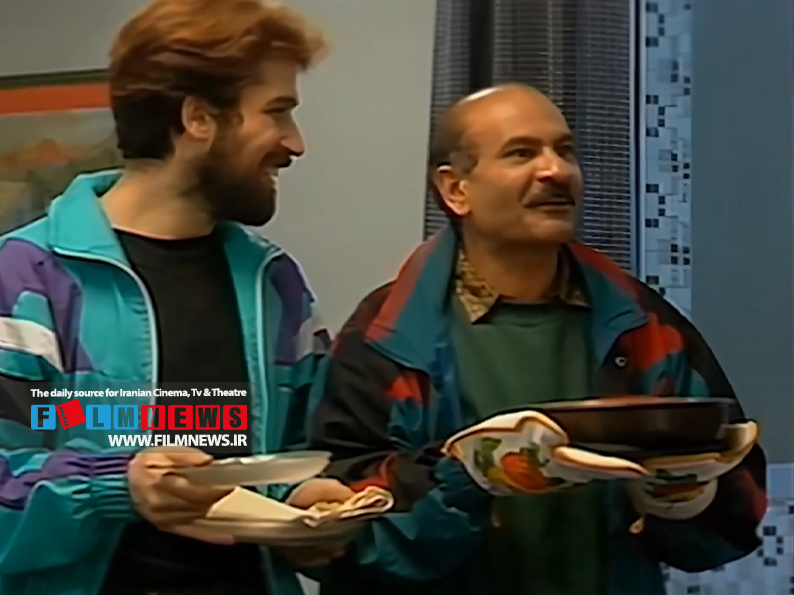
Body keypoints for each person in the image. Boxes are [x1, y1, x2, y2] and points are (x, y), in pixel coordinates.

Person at [306, 84, 769, 595]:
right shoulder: (385, 335)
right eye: (521, 153)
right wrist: (467, 475)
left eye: (565, 150)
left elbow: (741, 499)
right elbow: (335, 525)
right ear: (456, 189)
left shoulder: (644, 324)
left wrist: (687, 500)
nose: (556, 170)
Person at [0, 1, 354, 594]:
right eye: (277, 112)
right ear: (198, 119)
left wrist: (305, 503)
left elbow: (291, 453)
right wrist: (118, 487)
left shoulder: (277, 285)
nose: (294, 143)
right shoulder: (25, 280)